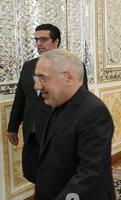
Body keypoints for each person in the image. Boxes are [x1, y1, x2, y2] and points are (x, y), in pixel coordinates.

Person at [7, 23, 88, 183]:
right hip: (32, 133)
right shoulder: (28, 66)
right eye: (36, 40)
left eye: (43, 39)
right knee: (33, 173)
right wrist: (12, 127)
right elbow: (21, 98)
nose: (38, 44)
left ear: (56, 42)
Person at [33, 49, 116, 200]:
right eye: (36, 78)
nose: (37, 86)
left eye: (43, 78)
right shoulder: (59, 103)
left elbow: (90, 175)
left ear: (69, 77)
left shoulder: (93, 112)